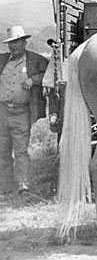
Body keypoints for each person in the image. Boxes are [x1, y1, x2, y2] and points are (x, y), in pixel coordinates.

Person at [0, 26, 48, 196]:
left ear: (25, 42)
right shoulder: (2, 60)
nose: (13, 46)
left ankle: (23, 186)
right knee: (2, 151)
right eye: (11, 43)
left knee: (20, 150)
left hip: (22, 113)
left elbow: (50, 73)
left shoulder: (35, 60)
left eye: (17, 42)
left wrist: (33, 79)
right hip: (2, 113)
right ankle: (5, 186)